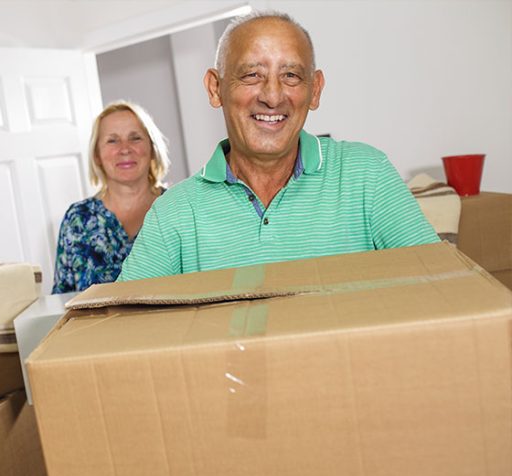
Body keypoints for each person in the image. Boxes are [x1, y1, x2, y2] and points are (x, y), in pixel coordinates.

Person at [118, 12, 438, 281]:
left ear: (315, 90)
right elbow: (123, 322)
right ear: (215, 89)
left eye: (291, 75)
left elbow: (442, 285)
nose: (272, 96)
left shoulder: (367, 174)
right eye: (252, 74)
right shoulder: (174, 213)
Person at [51, 100, 170, 293]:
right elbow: (62, 297)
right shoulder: (78, 219)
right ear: (97, 155)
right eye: (112, 140)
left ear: (152, 148)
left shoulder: (176, 208)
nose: (125, 149)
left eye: (135, 138)